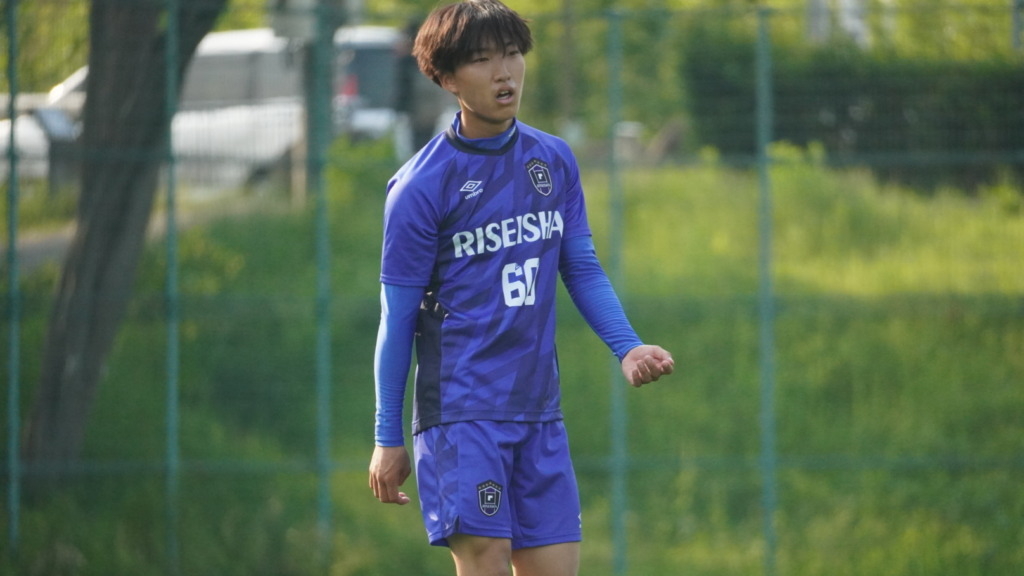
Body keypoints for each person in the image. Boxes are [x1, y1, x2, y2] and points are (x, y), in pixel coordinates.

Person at [367, 1, 675, 575]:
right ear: (448, 78)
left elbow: (581, 268)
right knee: (487, 560)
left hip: (539, 412)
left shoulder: (552, 160)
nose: (504, 72)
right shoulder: (420, 186)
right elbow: (397, 317)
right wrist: (388, 435)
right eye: (483, 60)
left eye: (512, 54)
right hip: (461, 415)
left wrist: (628, 346)